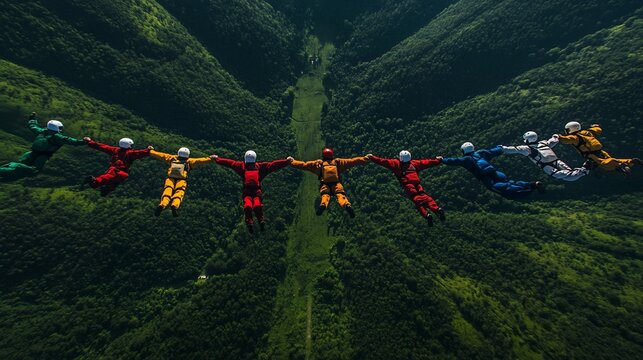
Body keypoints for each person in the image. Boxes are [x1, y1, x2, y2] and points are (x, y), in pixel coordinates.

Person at [213, 151, 292, 233]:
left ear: (245, 159)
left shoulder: (242, 166)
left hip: (248, 192)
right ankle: (260, 221)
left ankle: (251, 223)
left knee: (248, 206)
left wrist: (217, 159)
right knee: (256, 205)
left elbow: (229, 163)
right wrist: (287, 161)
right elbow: (274, 165)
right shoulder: (260, 167)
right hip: (256, 191)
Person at [0, 112, 86, 182]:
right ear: (56, 128)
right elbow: (72, 141)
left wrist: (32, 119)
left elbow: (32, 126)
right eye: (60, 128)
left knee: (17, 172)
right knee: (34, 171)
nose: (61, 130)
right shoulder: (57, 137)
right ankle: (15, 165)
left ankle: (9, 168)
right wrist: (84, 141)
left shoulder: (42, 131)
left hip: (30, 153)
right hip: (42, 157)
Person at [441, 142, 544, 199]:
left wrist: (441, 160)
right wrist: (499, 147)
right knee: (509, 182)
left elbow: (454, 161)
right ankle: (532, 184)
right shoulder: (480, 153)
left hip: (487, 179)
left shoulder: (466, 160)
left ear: (463, 151)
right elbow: (493, 151)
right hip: (496, 173)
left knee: (506, 191)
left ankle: (530, 189)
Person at [370, 151, 445, 227]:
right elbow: (427, 162)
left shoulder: (396, 164)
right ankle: (437, 209)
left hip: (409, 186)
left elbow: (383, 161)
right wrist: (438, 160)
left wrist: (371, 157)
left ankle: (427, 215)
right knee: (425, 197)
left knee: (417, 201)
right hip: (417, 184)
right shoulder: (414, 163)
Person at [291, 148, 369, 218]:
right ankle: (346, 204)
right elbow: (352, 161)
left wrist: (292, 162)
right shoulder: (338, 162)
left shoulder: (319, 164)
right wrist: (364, 159)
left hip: (325, 184)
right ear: (332, 155)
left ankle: (323, 204)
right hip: (336, 184)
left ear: (323, 156)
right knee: (340, 195)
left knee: (325, 195)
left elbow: (304, 165)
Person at [557, 121, 641, 176]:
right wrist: (595, 126)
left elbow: (566, 140)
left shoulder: (574, 137)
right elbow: (598, 129)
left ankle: (621, 165)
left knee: (604, 164)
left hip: (591, 154)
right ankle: (629, 161)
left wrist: (558, 137)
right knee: (609, 161)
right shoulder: (587, 132)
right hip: (600, 151)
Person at [150, 147, 214, 217]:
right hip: (181, 180)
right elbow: (201, 160)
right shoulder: (189, 161)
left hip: (170, 178)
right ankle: (174, 205)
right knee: (179, 192)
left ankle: (162, 204)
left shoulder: (172, 158)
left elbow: (160, 155)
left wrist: (151, 151)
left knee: (167, 190)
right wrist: (211, 158)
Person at [501, 131, 590, 181]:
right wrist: (556, 136)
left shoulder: (526, 149)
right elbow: (552, 141)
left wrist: (501, 148)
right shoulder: (543, 143)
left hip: (546, 165)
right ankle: (585, 168)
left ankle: (584, 169)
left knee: (560, 175)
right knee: (569, 176)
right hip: (556, 161)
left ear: (527, 140)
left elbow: (512, 149)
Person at [83, 137, 152, 196]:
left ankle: (106, 189)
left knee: (110, 180)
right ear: (129, 145)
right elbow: (140, 153)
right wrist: (148, 150)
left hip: (114, 170)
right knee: (106, 180)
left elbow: (102, 146)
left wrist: (90, 142)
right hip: (118, 172)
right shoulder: (130, 153)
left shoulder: (115, 150)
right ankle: (94, 181)